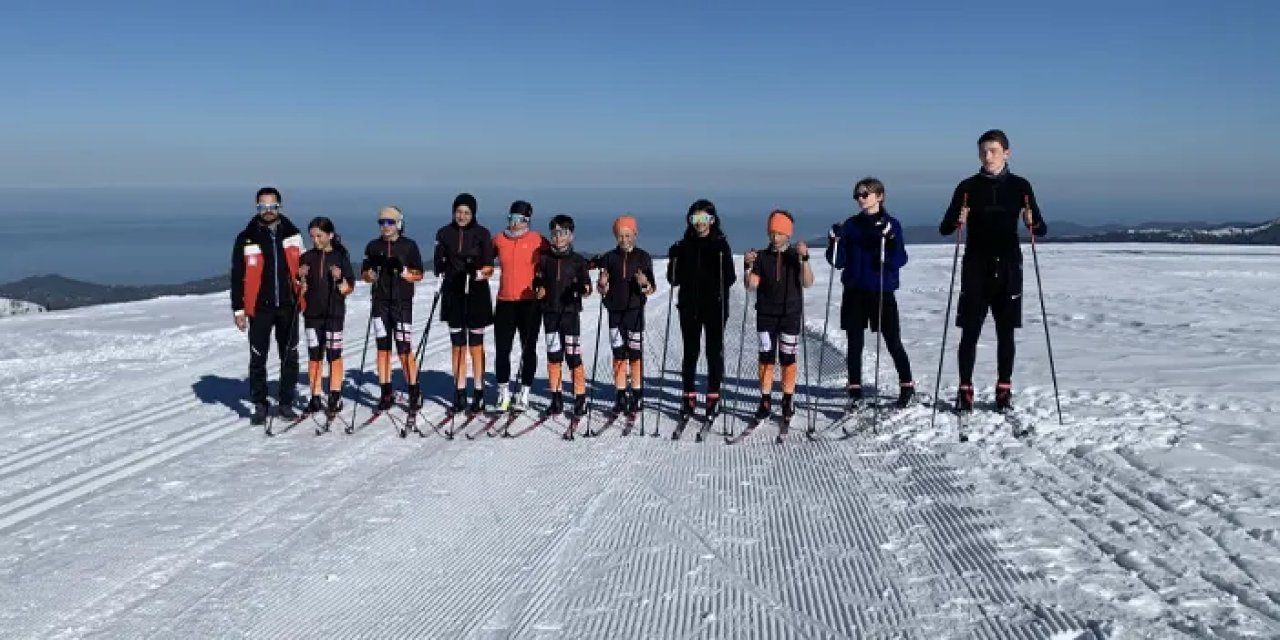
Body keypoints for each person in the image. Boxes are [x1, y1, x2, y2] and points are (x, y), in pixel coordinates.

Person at [938, 129, 1048, 411]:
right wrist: (957, 219)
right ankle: (965, 390)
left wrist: (1031, 222)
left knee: (1006, 332)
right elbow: (945, 228)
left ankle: (1004, 389)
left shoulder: (1021, 186)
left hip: (1009, 265)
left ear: (1006, 153)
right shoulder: (967, 187)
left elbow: (1041, 229)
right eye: (983, 151)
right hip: (976, 265)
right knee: (970, 332)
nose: (988, 156)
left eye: (993, 151)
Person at [826, 177, 915, 409]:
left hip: (881, 291)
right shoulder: (850, 225)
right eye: (857, 195)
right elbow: (838, 261)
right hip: (854, 290)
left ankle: (907, 385)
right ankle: (854, 389)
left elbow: (900, 259)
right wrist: (833, 242)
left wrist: (891, 240)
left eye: (865, 194)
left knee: (892, 340)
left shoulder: (891, 224)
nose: (861, 199)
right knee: (854, 342)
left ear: (880, 196)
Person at [230, 186, 306, 425]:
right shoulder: (246, 237)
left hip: (288, 305)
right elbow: (237, 275)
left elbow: (304, 266)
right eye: (263, 206)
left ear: (279, 207)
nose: (268, 211)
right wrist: (238, 310)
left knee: (289, 356)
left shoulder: (293, 234)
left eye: (272, 206)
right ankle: (260, 404)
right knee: (258, 357)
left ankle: (285, 402)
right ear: (257, 208)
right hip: (260, 307)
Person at [665, 199, 736, 421]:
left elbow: (731, 278)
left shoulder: (721, 245)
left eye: (704, 218)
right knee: (691, 352)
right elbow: (673, 280)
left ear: (712, 220)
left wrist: (720, 267)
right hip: (689, 306)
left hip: (714, 306)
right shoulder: (683, 246)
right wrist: (673, 260)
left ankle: (713, 396)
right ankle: (688, 396)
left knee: (713, 351)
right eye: (695, 218)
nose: (699, 223)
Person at [743, 210, 813, 421]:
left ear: (788, 234)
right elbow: (751, 286)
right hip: (765, 315)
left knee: (787, 358)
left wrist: (804, 259)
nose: (775, 237)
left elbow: (807, 282)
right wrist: (747, 267)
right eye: (772, 232)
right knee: (766, 358)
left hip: (790, 314)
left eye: (780, 233)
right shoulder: (761, 257)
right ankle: (765, 399)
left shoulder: (795, 256)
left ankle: (787, 399)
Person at [433, 193, 495, 415]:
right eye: (458, 212)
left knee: (475, 345)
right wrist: (441, 269)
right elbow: (438, 260)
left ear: (473, 213)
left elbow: (489, 267)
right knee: (457, 343)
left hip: (476, 291)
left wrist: (476, 272)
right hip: (454, 291)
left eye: (466, 212)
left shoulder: (482, 233)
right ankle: (459, 392)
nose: (462, 216)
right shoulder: (444, 233)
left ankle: (478, 392)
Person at [359, 206, 425, 413]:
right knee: (383, 348)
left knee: (404, 348)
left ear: (398, 223)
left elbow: (419, 274)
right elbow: (364, 274)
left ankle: (414, 391)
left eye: (390, 222)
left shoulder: (409, 246)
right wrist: (372, 274)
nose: (385, 226)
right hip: (380, 303)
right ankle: (386, 391)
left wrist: (403, 270)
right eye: (382, 222)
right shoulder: (372, 246)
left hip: (402, 303)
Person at [593, 215, 656, 415]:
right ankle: (620, 393)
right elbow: (601, 287)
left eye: (628, 235)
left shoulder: (643, 257)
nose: (624, 239)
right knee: (619, 353)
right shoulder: (609, 257)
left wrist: (644, 283)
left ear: (635, 234)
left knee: (635, 354)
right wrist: (602, 284)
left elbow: (651, 287)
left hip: (635, 311)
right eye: (620, 236)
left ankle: (636, 393)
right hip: (614, 312)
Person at [532, 214, 592, 417]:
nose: (559, 237)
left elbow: (587, 287)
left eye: (563, 233)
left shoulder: (577, 261)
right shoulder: (545, 259)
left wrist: (581, 288)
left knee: (573, 356)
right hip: (549, 313)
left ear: (571, 236)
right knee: (553, 356)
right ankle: (556, 398)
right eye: (555, 233)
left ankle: (580, 397)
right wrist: (538, 287)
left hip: (570, 314)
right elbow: (538, 280)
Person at [296, 217, 356, 417]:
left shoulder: (340, 257)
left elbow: (349, 288)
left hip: (334, 314)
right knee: (314, 355)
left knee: (333, 355)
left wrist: (339, 279)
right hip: (312, 315)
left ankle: (335, 394)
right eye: (312, 236)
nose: (315, 240)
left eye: (319, 236)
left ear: (330, 235)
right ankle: (315, 396)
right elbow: (300, 290)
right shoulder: (306, 257)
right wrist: (300, 277)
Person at [491, 200, 547, 411]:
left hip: (529, 302)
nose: (515, 224)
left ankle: (524, 393)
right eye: (512, 218)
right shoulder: (499, 240)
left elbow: (552, 261)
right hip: (505, 301)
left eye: (520, 220)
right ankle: (503, 393)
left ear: (527, 221)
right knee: (502, 349)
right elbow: (484, 258)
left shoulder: (538, 240)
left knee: (528, 349)